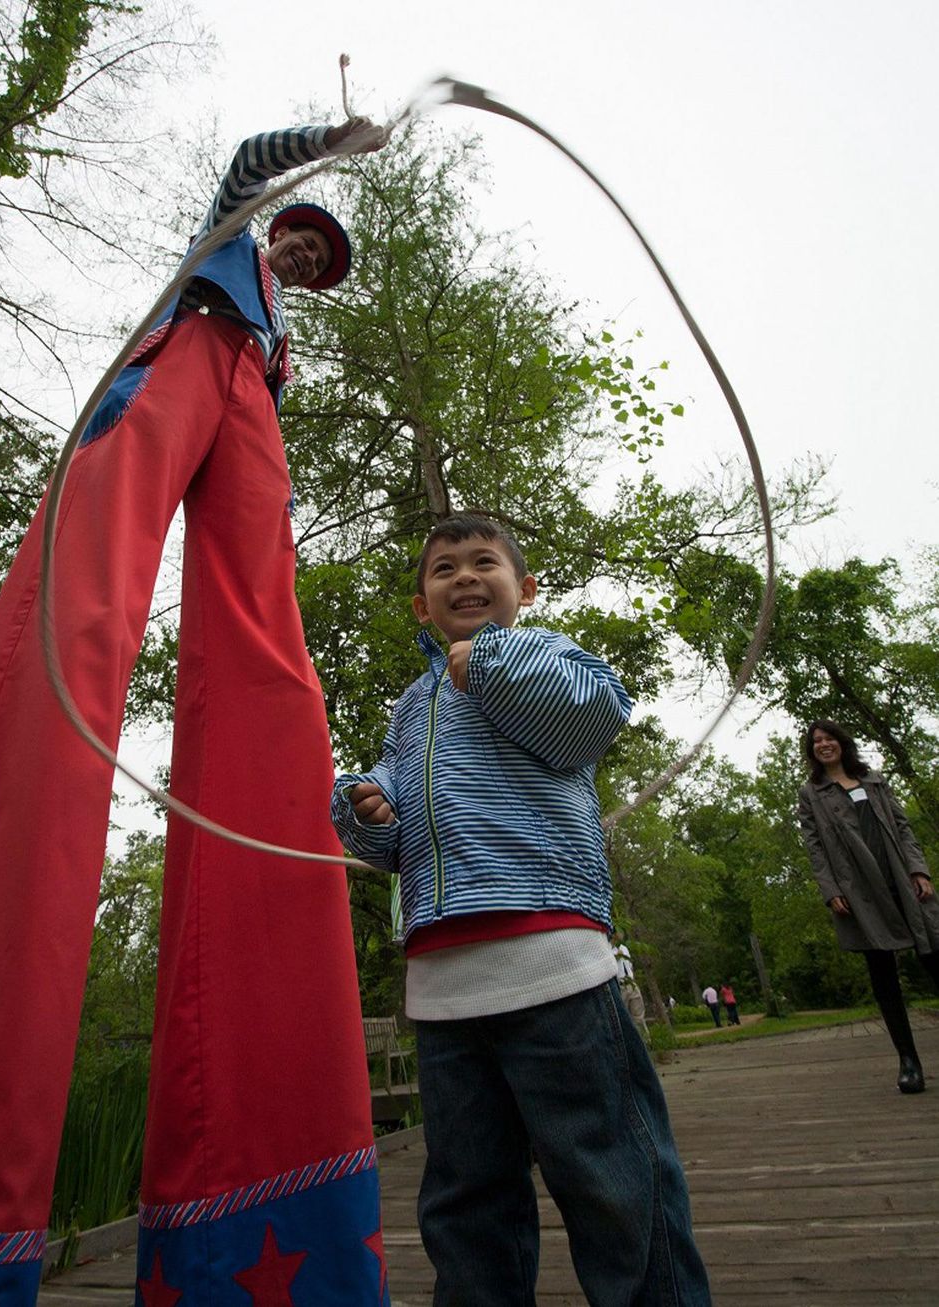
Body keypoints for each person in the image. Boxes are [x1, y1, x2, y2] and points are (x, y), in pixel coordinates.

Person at [0, 119, 390, 1306]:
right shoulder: (222, 257)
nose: (303, 262)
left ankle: (250, 1232)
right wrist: (337, 140)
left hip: (243, 407)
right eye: (303, 244)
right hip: (183, 364)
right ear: (283, 227)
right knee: (89, 583)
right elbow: (256, 159)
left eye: (315, 265)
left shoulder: (276, 344)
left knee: (264, 642)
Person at [331, 514, 712, 1306]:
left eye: (483, 562)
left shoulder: (542, 652)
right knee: (467, 1203)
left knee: (613, 1181)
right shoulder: (411, 707)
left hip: (551, 962)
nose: (464, 577)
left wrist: (492, 664)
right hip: (441, 988)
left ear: (525, 588)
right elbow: (390, 833)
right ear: (421, 605)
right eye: (444, 569)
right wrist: (369, 811)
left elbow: (592, 717)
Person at [798, 719, 939, 1094]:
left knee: (934, 957)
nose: (824, 745)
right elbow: (814, 847)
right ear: (812, 751)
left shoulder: (873, 781)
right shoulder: (812, 793)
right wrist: (830, 890)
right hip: (859, 890)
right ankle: (909, 1062)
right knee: (884, 976)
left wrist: (919, 870)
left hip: (902, 882)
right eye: (816, 741)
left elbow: (904, 827)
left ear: (843, 743)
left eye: (829, 738)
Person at [611, 932, 650, 1038]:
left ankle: (645, 1039)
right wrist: (615, 958)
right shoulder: (607, 949)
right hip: (619, 984)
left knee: (638, 1014)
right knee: (623, 1015)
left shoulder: (624, 948)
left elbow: (629, 965)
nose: (621, 934)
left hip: (631, 982)